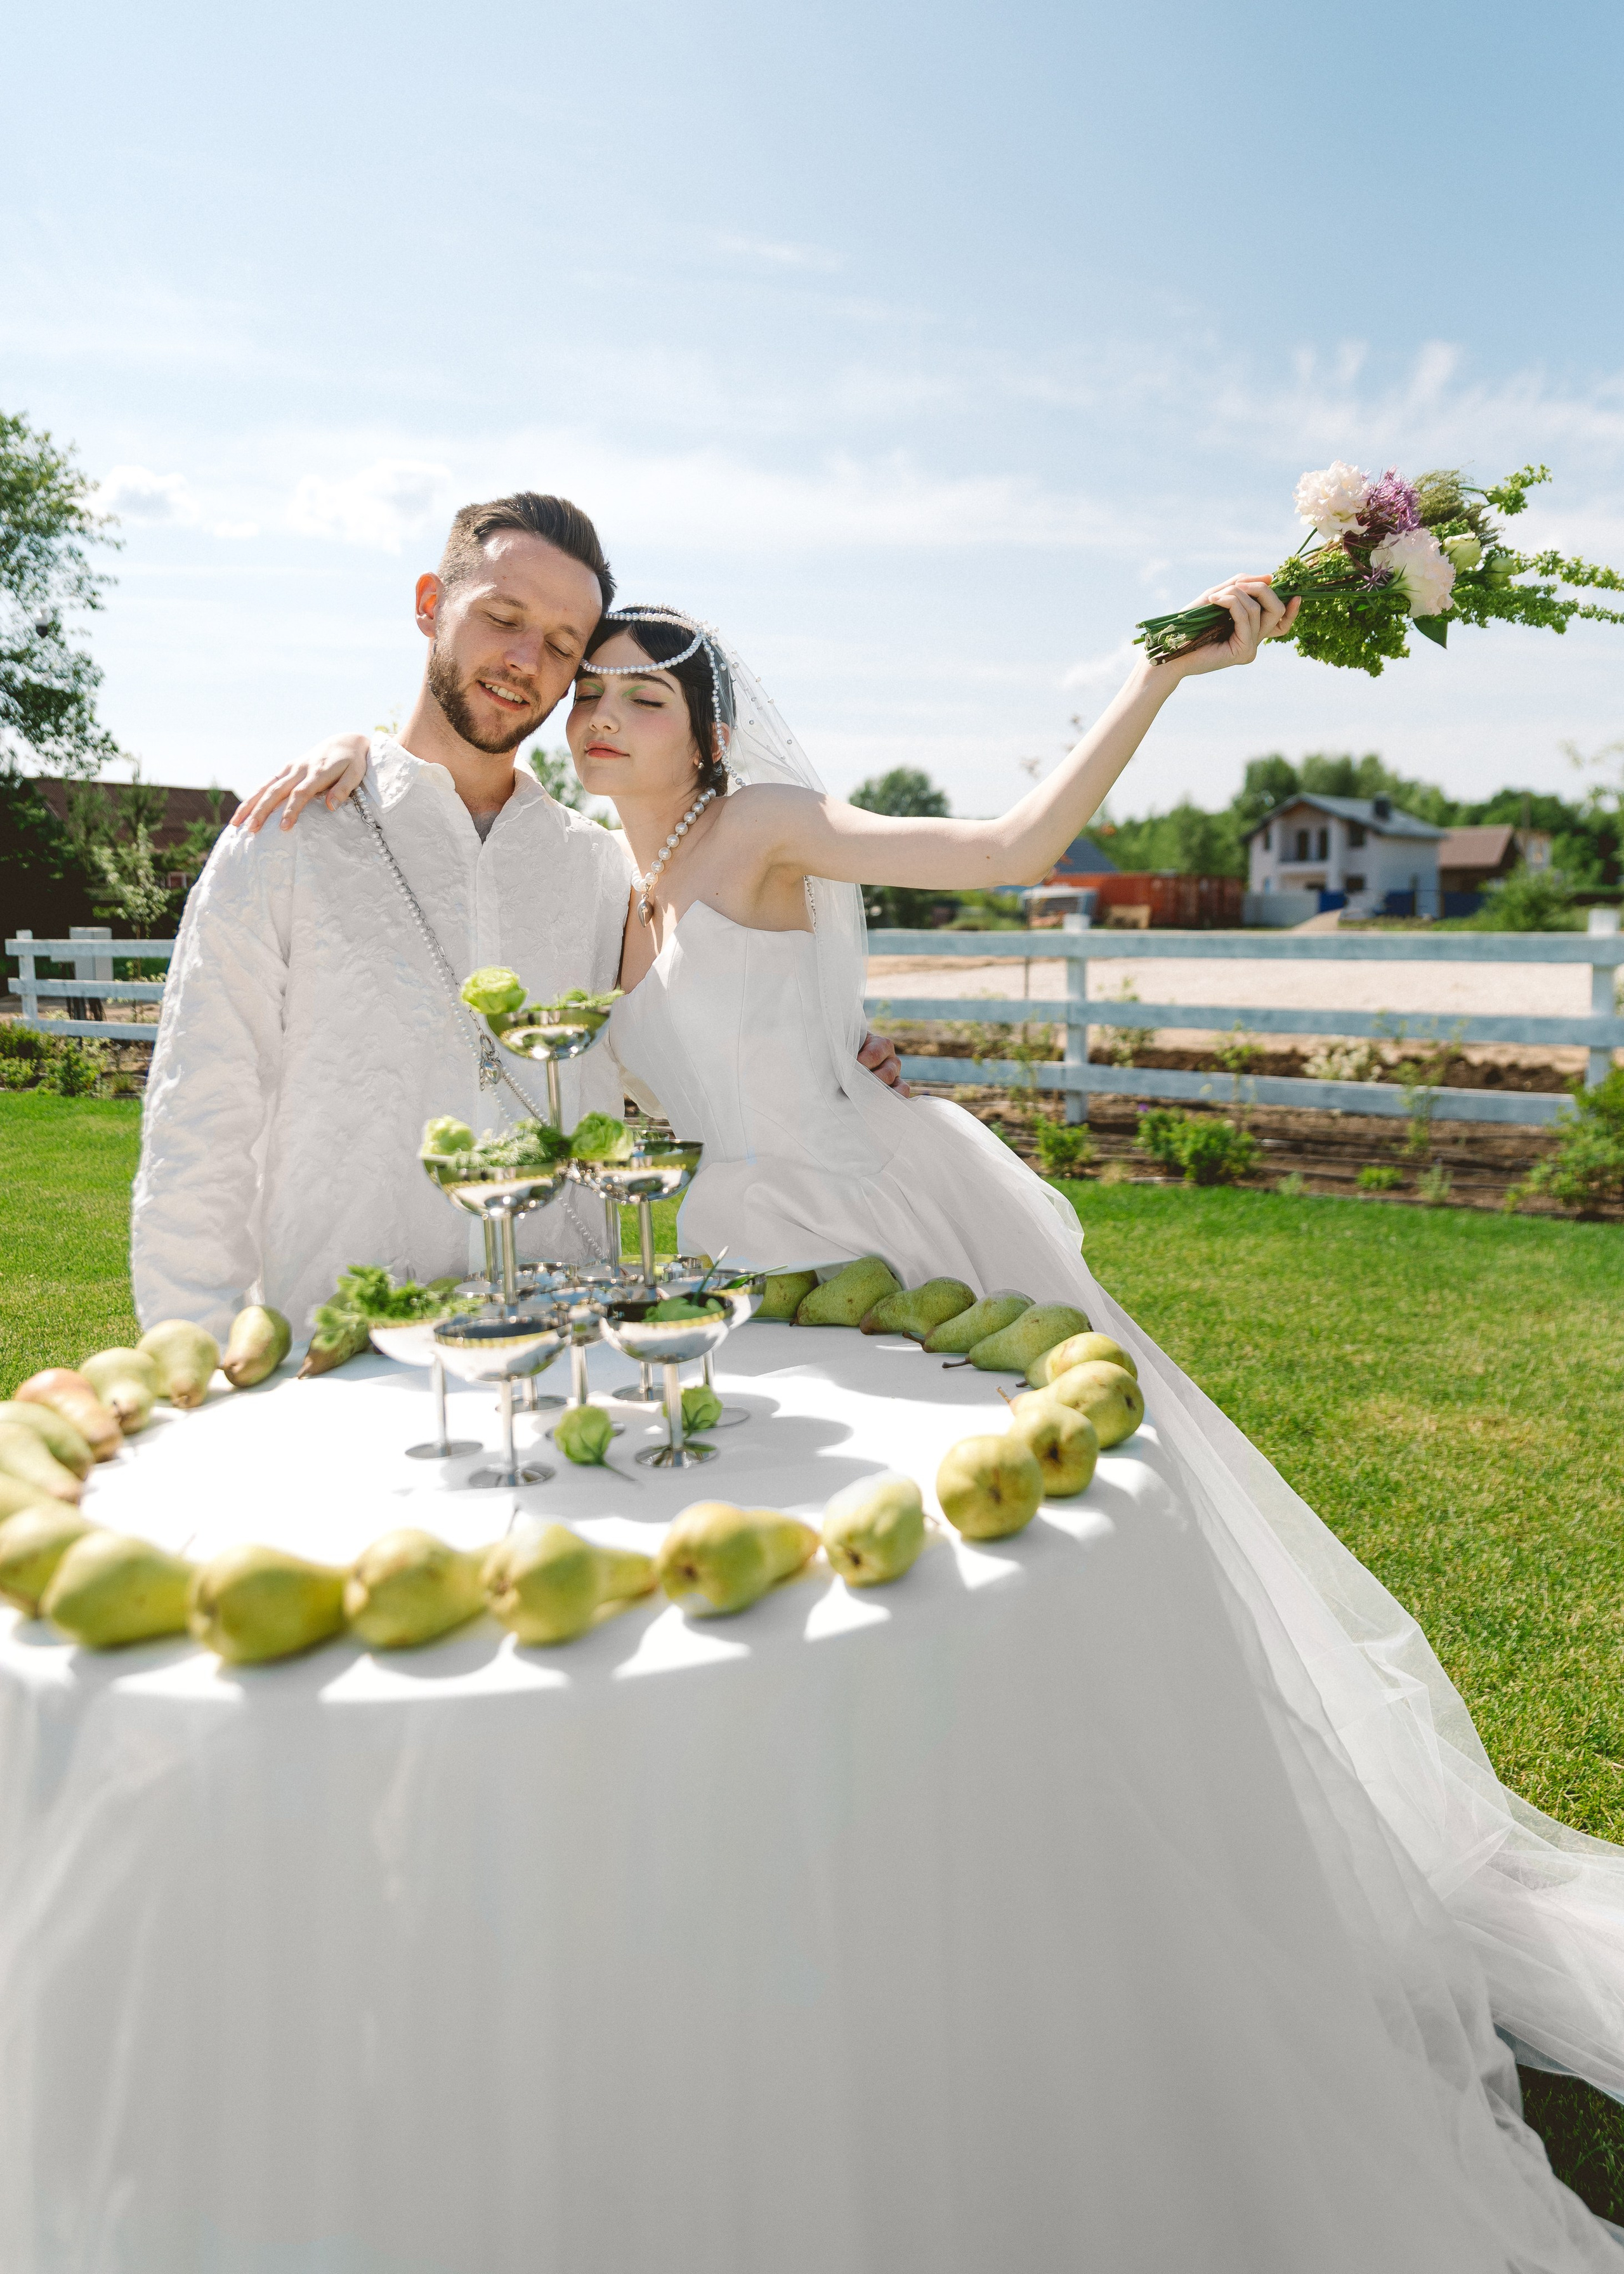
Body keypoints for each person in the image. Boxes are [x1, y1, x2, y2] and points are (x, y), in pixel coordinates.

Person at [255, 589, 1624, 2263]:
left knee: (970, 1592)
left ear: (708, 729)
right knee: (780, 1609)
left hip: (868, 1243)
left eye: (640, 694)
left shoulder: (759, 827)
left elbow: (1008, 839)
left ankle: (1062, 1946)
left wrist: (1159, 674)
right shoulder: (612, 876)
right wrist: (349, 748)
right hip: (721, 1273)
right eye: (587, 690)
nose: (600, 712)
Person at [133, 494, 901, 1342]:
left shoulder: (598, 868)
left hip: (568, 1347)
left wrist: (812, 1057)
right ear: (430, 605)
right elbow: (198, 1118)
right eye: (502, 617)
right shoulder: (289, 836)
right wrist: (192, 1349)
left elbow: (660, 1066)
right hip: (345, 1352)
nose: (525, 660)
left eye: (563, 647)